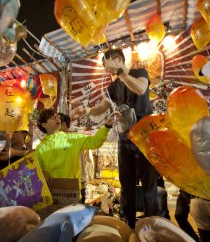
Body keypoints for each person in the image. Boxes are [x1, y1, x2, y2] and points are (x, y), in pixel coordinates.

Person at [72, 49, 159, 228]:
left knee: (149, 184)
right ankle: (129, 225)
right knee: (126, 183)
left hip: (145, 136)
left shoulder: (138, 73)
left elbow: (141, 89)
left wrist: (121, 72)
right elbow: (102, 107)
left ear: (118, 59)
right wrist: (85, 110)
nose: (106, 70)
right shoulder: (112, 87)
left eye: (107, 65)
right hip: (125, 137)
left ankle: (153, 226)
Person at [36, 108, 118, 196]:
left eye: (56, 116)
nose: (57, 118)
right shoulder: (40, 148)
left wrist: (107, 126)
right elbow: (37, 173)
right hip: (51, 194)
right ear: (44, 125)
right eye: (52, 117)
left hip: (71, 192)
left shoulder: (72, 138)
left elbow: (95, 142)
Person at [58, 112, 88, 203]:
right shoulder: (58, 140)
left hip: (76, 186)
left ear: (63, 125)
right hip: (66, 186)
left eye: (57, 123)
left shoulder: (74, 139)